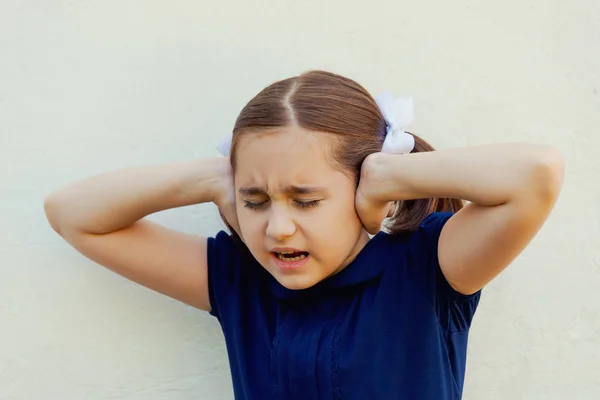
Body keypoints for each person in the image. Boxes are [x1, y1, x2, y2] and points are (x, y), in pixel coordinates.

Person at [44, 70, 564, 399]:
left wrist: (391, 176)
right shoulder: (237, 282)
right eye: (254, 200)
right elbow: (72, 213)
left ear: (363, 185)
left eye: (307, 200)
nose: (277, 226)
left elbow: (536, 174)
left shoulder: (430, 267)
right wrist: (204, 179)